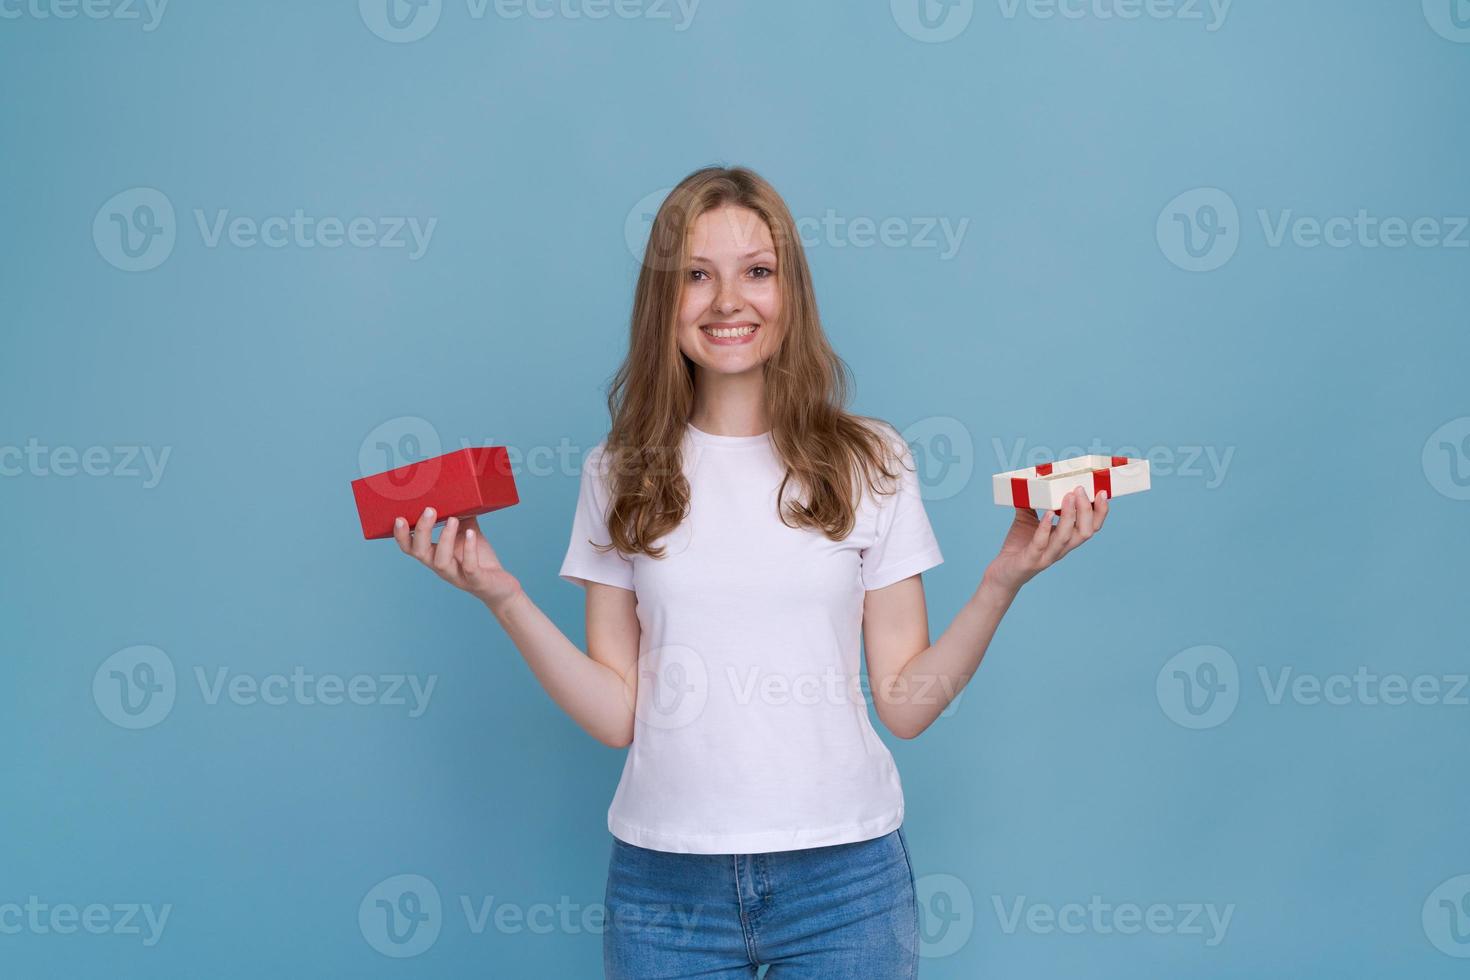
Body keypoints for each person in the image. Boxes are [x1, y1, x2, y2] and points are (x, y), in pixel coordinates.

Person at [390, 165, 1110, 978]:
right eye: (697, 275)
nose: (727, 300)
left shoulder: (871, 459)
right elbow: (617, 713)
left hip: (846, 882)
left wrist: (1000, 583)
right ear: (664, 301)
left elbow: (906, 703)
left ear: (789, 293)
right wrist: (503, 596)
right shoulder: (617, 471)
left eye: (756, 273)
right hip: (664, 893)